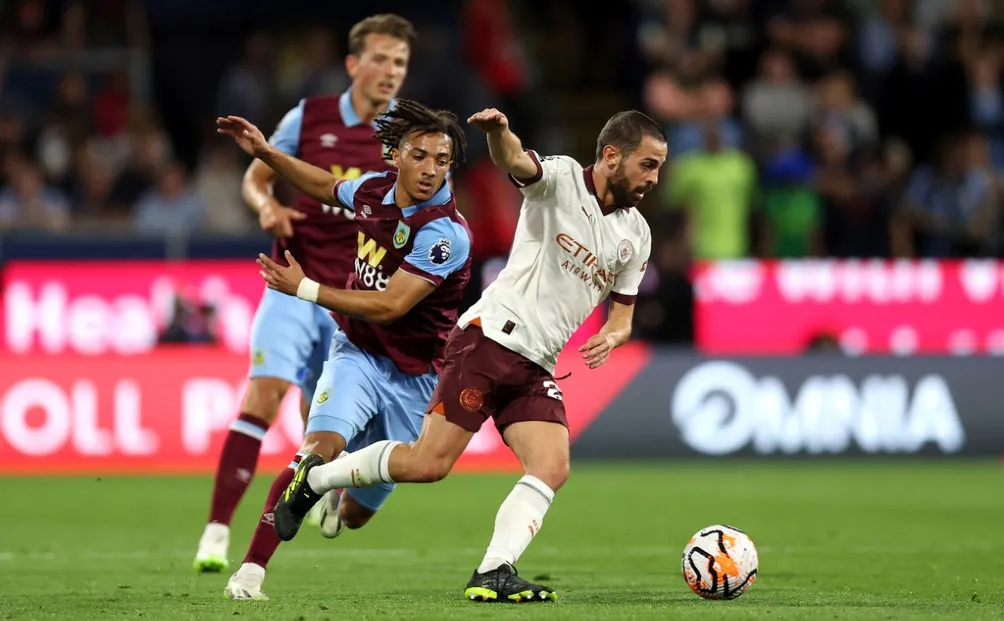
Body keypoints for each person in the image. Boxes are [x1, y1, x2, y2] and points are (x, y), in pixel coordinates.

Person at [274, 107, 668, 602]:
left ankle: (493, 571)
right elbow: (517, 162)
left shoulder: (637, 235)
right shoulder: (563, 180)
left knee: (552, 465)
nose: (654, 177)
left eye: (658, 167)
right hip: (489, 339)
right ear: (612, 156)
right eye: (648, 164)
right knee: (428, 464)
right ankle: (318, 479)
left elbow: (623, 317)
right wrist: (500, 133)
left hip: (537, 363)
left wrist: (610, 337)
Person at [214, 99, 471, 600]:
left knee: (354, 516)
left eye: (442, 160)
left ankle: (334, 491)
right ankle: (249, 573)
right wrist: (267, 153)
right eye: (421, 156)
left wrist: (306, 288)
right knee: (313, 453)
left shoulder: (445, 234)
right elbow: (323, 184)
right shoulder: (374, 190)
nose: (432, 169)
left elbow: (391, 305)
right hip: (357, 352)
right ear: (395, 155)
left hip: (417, 376)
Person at [193, 14, 416, 574]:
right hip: (293, 282)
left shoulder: (409, 138)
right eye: (382, 59)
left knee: (328, 430)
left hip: (354, 301)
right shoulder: (309, 117)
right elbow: (259, 172)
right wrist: (265, 204)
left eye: (401, 63)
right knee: (263, 397)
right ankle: (217, 532)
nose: (391, 72)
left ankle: (326, 494)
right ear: (353, 64)